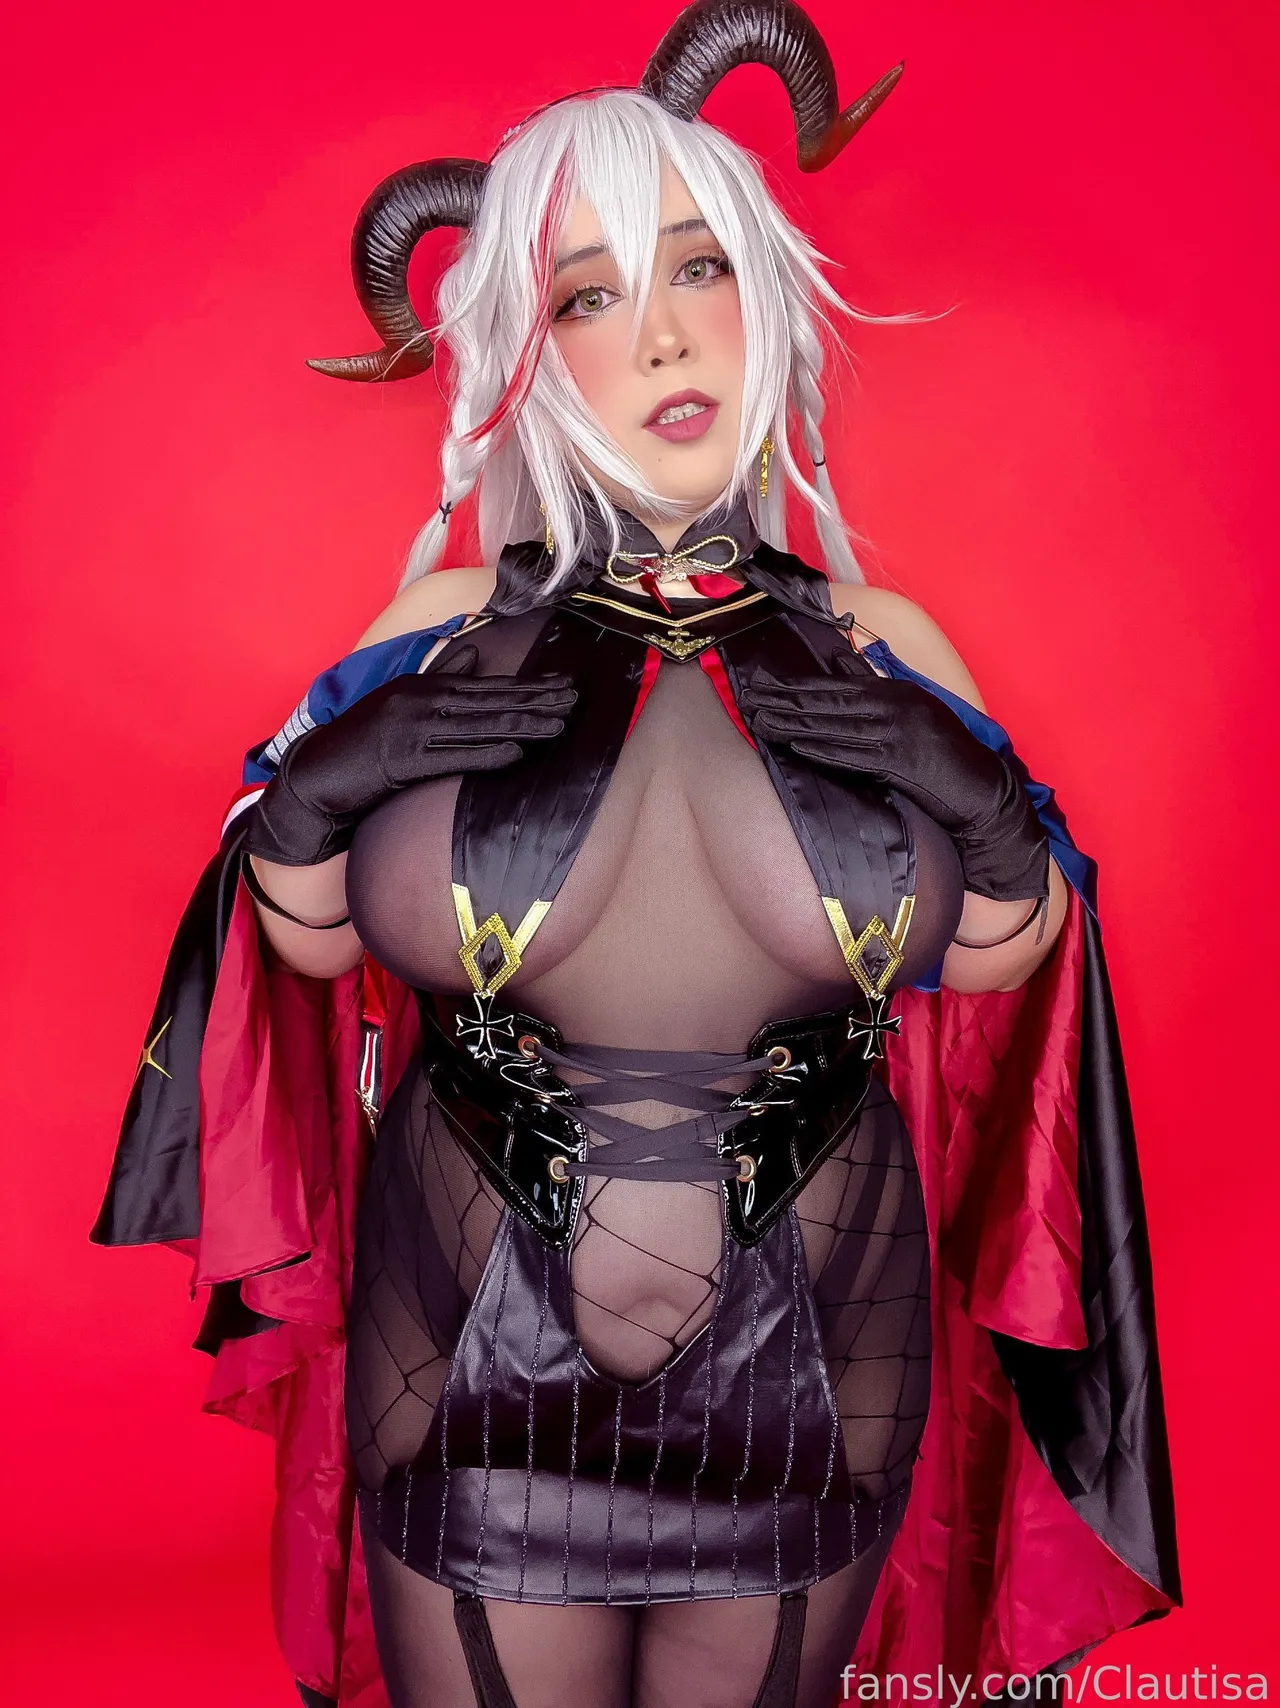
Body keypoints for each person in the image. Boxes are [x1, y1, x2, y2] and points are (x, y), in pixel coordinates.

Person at [92, 5, 1181, 1706]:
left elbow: (1006, 966)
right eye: (589, 297)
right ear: (527, 357)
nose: (664, 331)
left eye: (699, 268)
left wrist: (977, 804)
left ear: (767, 294)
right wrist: (307, 805)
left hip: (823, 1376)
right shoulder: (442, 628)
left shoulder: (885, 642)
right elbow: (300, 953)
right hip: (463, 1375)